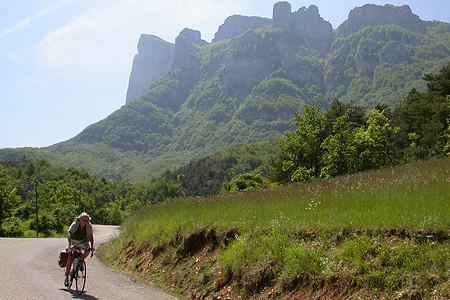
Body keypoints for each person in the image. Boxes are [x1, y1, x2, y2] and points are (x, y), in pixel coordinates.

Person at [64, 212, 95, 287]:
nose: (85, 222)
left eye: (86, 220)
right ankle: (67, 277)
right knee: (70, 258)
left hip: (83, 241)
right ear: (80, 219)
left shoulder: (89, 226)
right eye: (83, 220)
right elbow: (69, 234)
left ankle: (80, 260)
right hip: (73, 241)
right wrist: (71, 244)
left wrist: (92, 247)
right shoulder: (75, 224)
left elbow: (91, 236)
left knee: (88, 250)